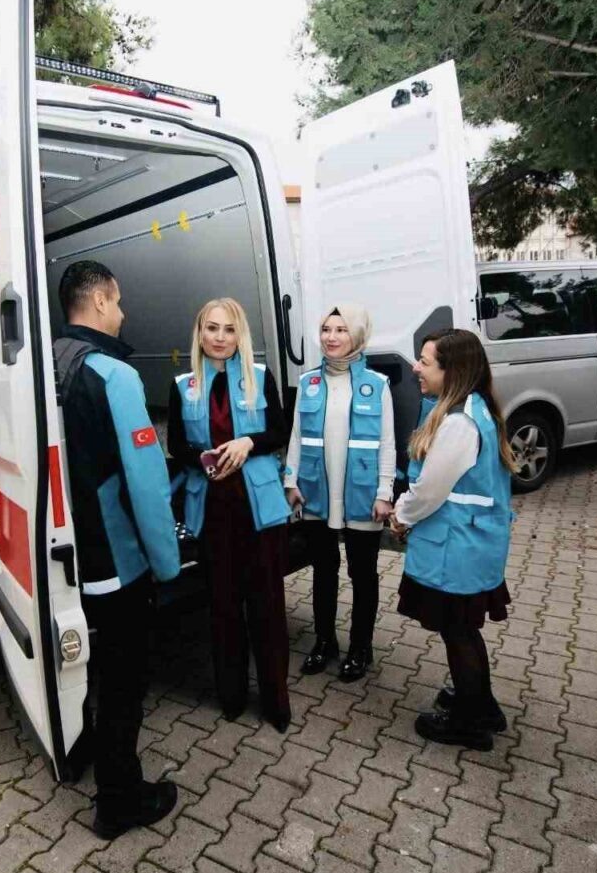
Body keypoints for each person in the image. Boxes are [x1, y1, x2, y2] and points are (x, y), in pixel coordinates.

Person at [53, 259, 182, 840]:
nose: (123, 313)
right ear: (101, 301)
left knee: (90, 668)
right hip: (115, 560)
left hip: (66, 551)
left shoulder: (49, 364)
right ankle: (119, 800)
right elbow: (147, 483)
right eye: (119, 301)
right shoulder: (114, 375)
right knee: (125, 680)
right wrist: (167, 562)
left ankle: (83, 753)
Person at [166, 298, 293, 731]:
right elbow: (177, 445)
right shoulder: (183, 385)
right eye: (212, 328)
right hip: (213, 511)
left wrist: (248, 443)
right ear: (199, 333)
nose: (220, 338)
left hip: (258, 512)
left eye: (229, 329)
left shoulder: (260, 376)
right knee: (223, 608)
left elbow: (279, 431)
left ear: (241, 335)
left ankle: (276, 702)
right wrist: (202, 459)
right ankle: (232, 696)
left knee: (267, 608)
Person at [389, 329, 517, 750]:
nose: (416, 368)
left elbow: (430, 489)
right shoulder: (476, 408)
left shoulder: (459, 423)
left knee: (458, 633)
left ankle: (469, 723)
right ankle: (480, 704)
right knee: (463, 631)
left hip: (457, 549)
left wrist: (400, 516)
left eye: (425, 362)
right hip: (472, 545)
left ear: (452, 370)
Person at [285, 305, 395, 683]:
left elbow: (387, 443)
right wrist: (291, 481)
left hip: (362, 494)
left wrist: (385, 492)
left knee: (362, 574)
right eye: (326, 329)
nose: (331, 337)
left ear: (358, 335)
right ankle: (324, 642)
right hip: (317, 491)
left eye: (341, 329)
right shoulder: (308, 382)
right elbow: (297, 436)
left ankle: (361, 647)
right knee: (323, 570)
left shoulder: (377, 385)